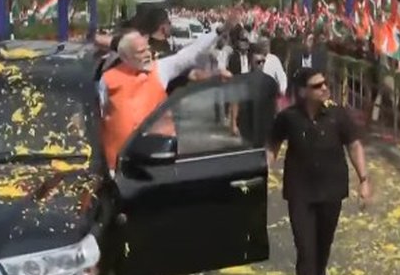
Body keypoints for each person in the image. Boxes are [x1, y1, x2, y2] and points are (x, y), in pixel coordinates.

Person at [269, 67, 371, 275]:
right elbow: (273, 144)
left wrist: (364, 180)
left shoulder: (339, 115)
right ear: (303, 91)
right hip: (300, 193)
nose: (325, 88)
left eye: (326, 83)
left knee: (322, 246)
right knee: (305, 252)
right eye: (318, 86)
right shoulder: (288, 117)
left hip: (331, 192)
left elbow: (354, 146)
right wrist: (265, 168)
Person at [99, 25, 229, 170]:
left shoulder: (160, 69)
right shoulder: (106, 80)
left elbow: (188, 55)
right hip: (117, 167)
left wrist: (217, 31)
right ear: (126, 57)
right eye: (141, 52)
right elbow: (96, 117)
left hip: (156, 161)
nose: (148, 54)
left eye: (148, 48)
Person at [229, 49, 279, 145]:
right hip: (246, 123)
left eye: (263, 62)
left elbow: (275, 104)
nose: (261, 65)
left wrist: (277, 124)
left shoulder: (270, 81)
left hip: (265, 123)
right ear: (250, 62)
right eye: (258, 62)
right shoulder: (241, 80)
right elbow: (235, 103)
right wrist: (233, 124)